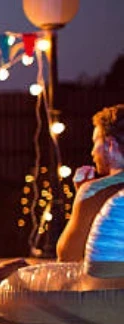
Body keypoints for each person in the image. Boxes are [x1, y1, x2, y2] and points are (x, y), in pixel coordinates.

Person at [56, 104, 124, 262]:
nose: (92, 152)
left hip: (106, 284)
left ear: (110, 145)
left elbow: (67, 257)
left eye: (95, 142)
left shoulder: (95, 190)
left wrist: (82, 197)